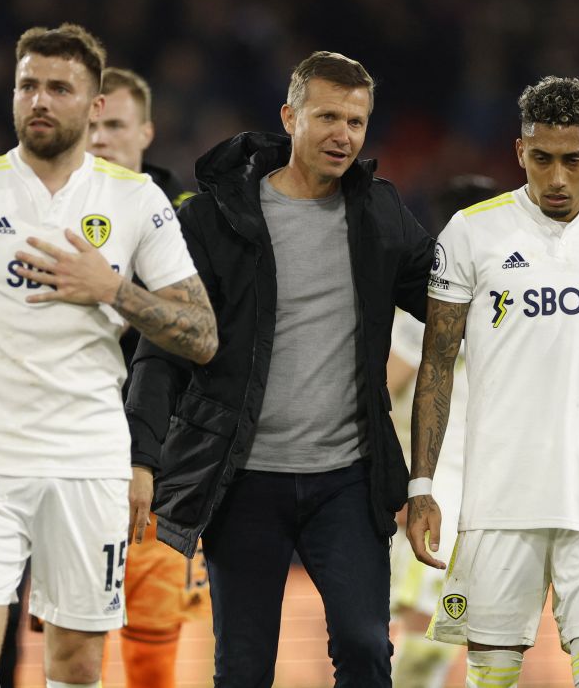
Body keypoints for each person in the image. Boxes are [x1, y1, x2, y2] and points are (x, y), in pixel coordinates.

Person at [0, 23, 217, 688]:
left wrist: (112, 288)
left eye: (59, 87)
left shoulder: (135, 200)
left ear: (95, 106)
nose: (39, 99)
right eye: (28, 85)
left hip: (88, 457)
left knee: (75, 662)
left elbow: (202, 333)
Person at [126, 51, 435, 687]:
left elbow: (447, 298)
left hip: (348, 479)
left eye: (356, 121)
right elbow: (162, 349)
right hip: (243, 481)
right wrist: (140, 458)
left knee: (365, 648)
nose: (343, 134)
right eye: (327, 116)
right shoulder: (212, 221)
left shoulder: (379, 215)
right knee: (243, 668)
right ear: (289, 117)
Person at [408, 76, 579, 688]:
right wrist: (423, 484)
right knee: (493, 676)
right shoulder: (470, 232)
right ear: (519, 152)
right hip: (498, 496)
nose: (556, 178)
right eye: (542, 159)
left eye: (573, 161)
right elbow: (435, 366)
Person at [90, 65, 210, 688]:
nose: (101, 138)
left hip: (164, 468)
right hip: (73, 457)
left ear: (146, 132)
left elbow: (201, 343)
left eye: (115, 125)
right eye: (92, 126)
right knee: (75, 642)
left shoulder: (187, 225)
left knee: (151, 646)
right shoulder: (49, 220)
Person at [387, 175, 499, 688]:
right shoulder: (445, 298)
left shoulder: (435, 293)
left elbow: (384, 385)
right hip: (452, 491)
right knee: (435, 621)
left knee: (437, 621)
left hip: (452, 490)